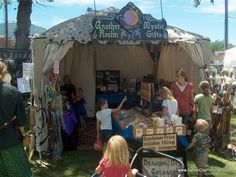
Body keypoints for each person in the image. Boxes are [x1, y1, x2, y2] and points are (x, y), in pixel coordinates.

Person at [0, 60, 32, 177]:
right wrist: (24, 136)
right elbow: (21, 122)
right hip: (10, 142)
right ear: (4, 73)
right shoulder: (12, 91)